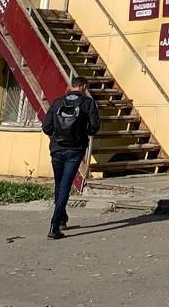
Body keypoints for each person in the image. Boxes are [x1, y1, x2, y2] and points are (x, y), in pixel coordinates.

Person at [41, 76, 99, 239]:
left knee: (60, 183)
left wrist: (58, 134)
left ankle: (61, 217)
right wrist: (82, 132)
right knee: (65, 185)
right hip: (75, 150)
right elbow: (94, 127)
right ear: (84, 86)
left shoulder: (58, 103)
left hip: (57, 149)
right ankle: (54, 226)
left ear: (71, 86)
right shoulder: (88, 103)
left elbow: (46, 127)